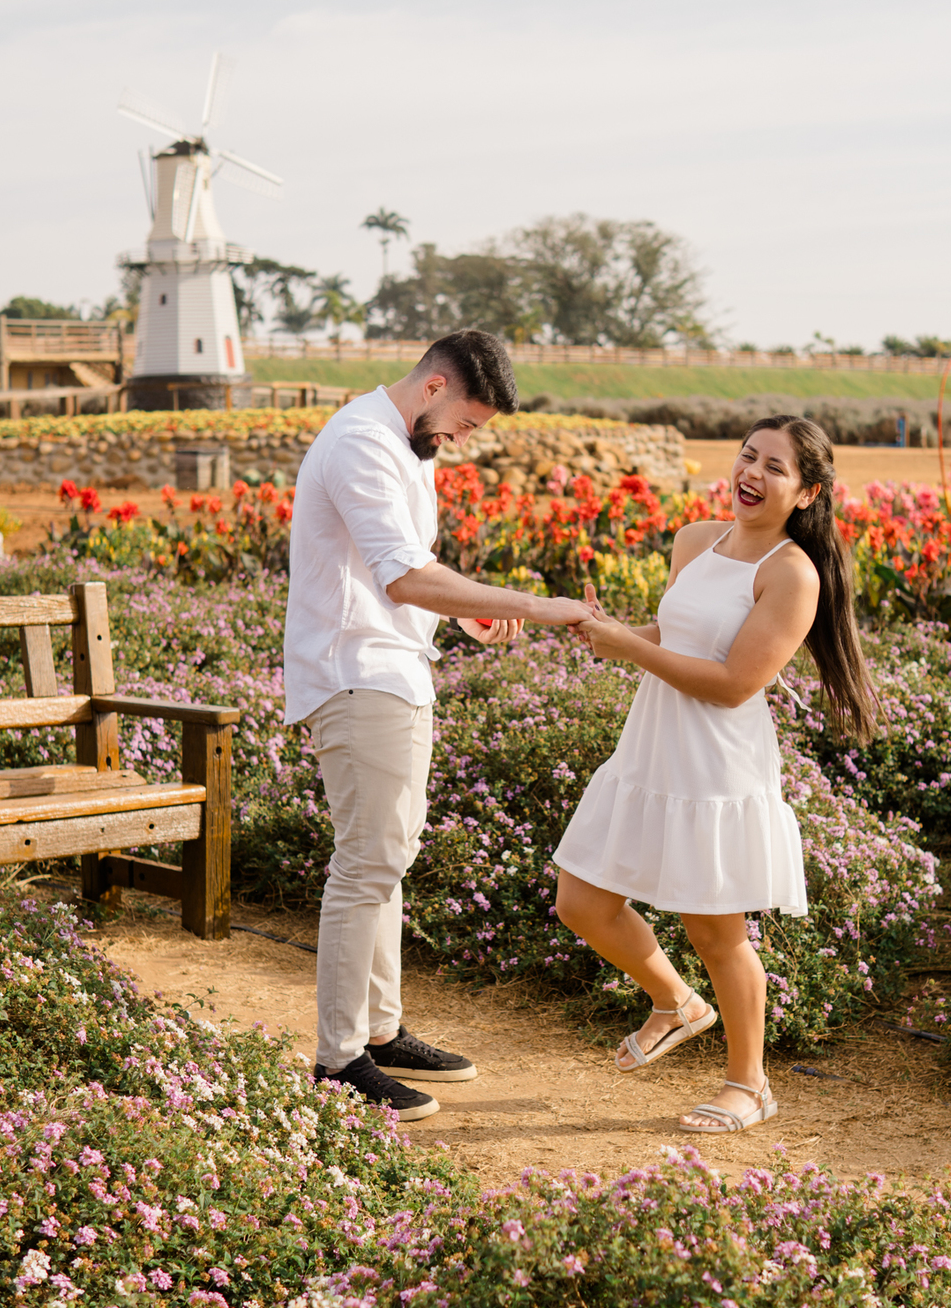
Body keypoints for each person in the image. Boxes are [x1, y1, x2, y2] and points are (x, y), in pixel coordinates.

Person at [284, 329, 587, 1121]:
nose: (461, 441)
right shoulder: (362, 442)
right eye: (465, 424)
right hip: (358, 675)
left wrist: (470, 623)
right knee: (367, 865)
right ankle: (340, 1057)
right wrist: (533, 607)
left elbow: (405, 582)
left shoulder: (400, 445)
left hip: (391, 671)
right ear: (434, 387)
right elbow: (406, 575)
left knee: (390, 858)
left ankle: (380, 1032)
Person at [553, 414, 877, 1134]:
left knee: (717, 934)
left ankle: (749, 1085)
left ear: (806, 493)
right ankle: (675, 1004)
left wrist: (626, 649)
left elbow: (734, 682)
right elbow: (675, 634)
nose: (751, 473)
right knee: (580, 900)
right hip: (650, 749)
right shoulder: (696, 540)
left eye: (775, 467)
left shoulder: (793, 574)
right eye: (747, 455)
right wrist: (600, 632)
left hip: (713, 769)